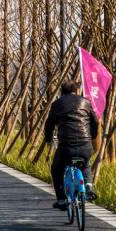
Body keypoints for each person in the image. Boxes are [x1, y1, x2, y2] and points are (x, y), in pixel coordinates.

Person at [45, 79, 99, 210]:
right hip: (85, 144)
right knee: (86, 163)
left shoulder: (57, 104)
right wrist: (92, 136)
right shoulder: (86, 102)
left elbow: (49, 124)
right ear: (76, 91)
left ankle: (62, 200)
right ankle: (88, 187)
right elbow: (95, 122)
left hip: (66, 146)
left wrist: (48, 138)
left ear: (62, 92)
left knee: (57, 169)